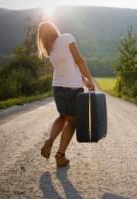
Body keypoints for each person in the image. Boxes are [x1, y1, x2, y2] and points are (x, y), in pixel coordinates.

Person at [37, 21, 95, 167]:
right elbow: (79, 61)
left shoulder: (49, 49)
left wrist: (84, 81)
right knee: (72, 122)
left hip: (57, 86)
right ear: (54, 29)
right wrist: (90, 80)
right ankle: (60, 155)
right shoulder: (67, 38)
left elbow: (69, 67)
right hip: (72, 88)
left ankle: (50, 141)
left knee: (62, 117)